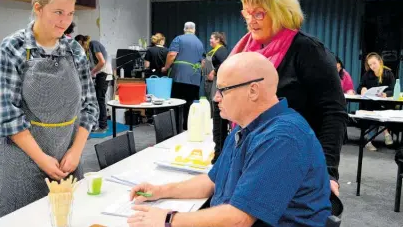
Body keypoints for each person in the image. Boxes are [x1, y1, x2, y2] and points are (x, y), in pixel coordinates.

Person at [127, 52, 332, 227]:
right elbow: (212, 181)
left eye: (223, 89)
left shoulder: (282, 138)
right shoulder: (245, 126)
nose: (216, 97)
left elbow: (239, 219)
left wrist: (169, 219)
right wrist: (161, 191)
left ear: (253, 90)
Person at [225, 0, 347, 196]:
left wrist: (328, 172)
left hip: (295, 163)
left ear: (280, 12)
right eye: (247, 13)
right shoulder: (242, 52)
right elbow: (225, 103)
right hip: (248, 158)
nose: (251, 21)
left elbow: (333, 112)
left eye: (259, 14)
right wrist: (220, 158)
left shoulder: (308, 50)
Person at [0, 0, 99, 218]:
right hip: (23, 164)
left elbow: (90, 106)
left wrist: (76, 151)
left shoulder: (74, 50)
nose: (65, 21)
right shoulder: (13, 48)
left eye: (70, 14)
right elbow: (6, 115)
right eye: (58, 12)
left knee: (67, 218)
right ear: (38, 8)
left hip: (67, 161)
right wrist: (41, 159)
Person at [163, 22, 205, 130]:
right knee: (190, 104)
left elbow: (172, 54)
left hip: (179, 76)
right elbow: (203, 62)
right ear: (194, 30)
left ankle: (176, 128)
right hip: (194, 78)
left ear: (184, 29)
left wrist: (166, 67)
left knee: (176, 103)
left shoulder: (179, 39)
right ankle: (187, 127)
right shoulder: (200, 43)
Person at [357, 52, 396, 150]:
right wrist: (362, 89)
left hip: (385, 104)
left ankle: (382, 134)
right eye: (370, 65)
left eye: (374, 63)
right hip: (372, 104)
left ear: (380, 61)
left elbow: (393, 89)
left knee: (383, 113)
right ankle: (378, 137)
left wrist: (385, 94)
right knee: (374, 116)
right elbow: (359, 87)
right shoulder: (367, 74)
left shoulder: (388, 73)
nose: (372, 66)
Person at [200, 32, 230, 162]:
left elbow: (225, 65)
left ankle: (219, 154)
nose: (210, 40)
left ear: (218, 40)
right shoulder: (215, 51)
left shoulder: (221, 51)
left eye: (212, 38)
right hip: (215, 86)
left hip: (219, 88)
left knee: (219, 123)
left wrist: (214, 71)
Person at [75, 35, 110, 133]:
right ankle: (99, 124)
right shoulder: (88, 50)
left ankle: (103, 126)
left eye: (79, 45)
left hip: (104, 74)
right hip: (100, 75)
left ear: (82, 41)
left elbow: (102, 62)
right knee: (98, 99)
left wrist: (92, 72)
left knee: (100, 99)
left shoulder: (93, 44)